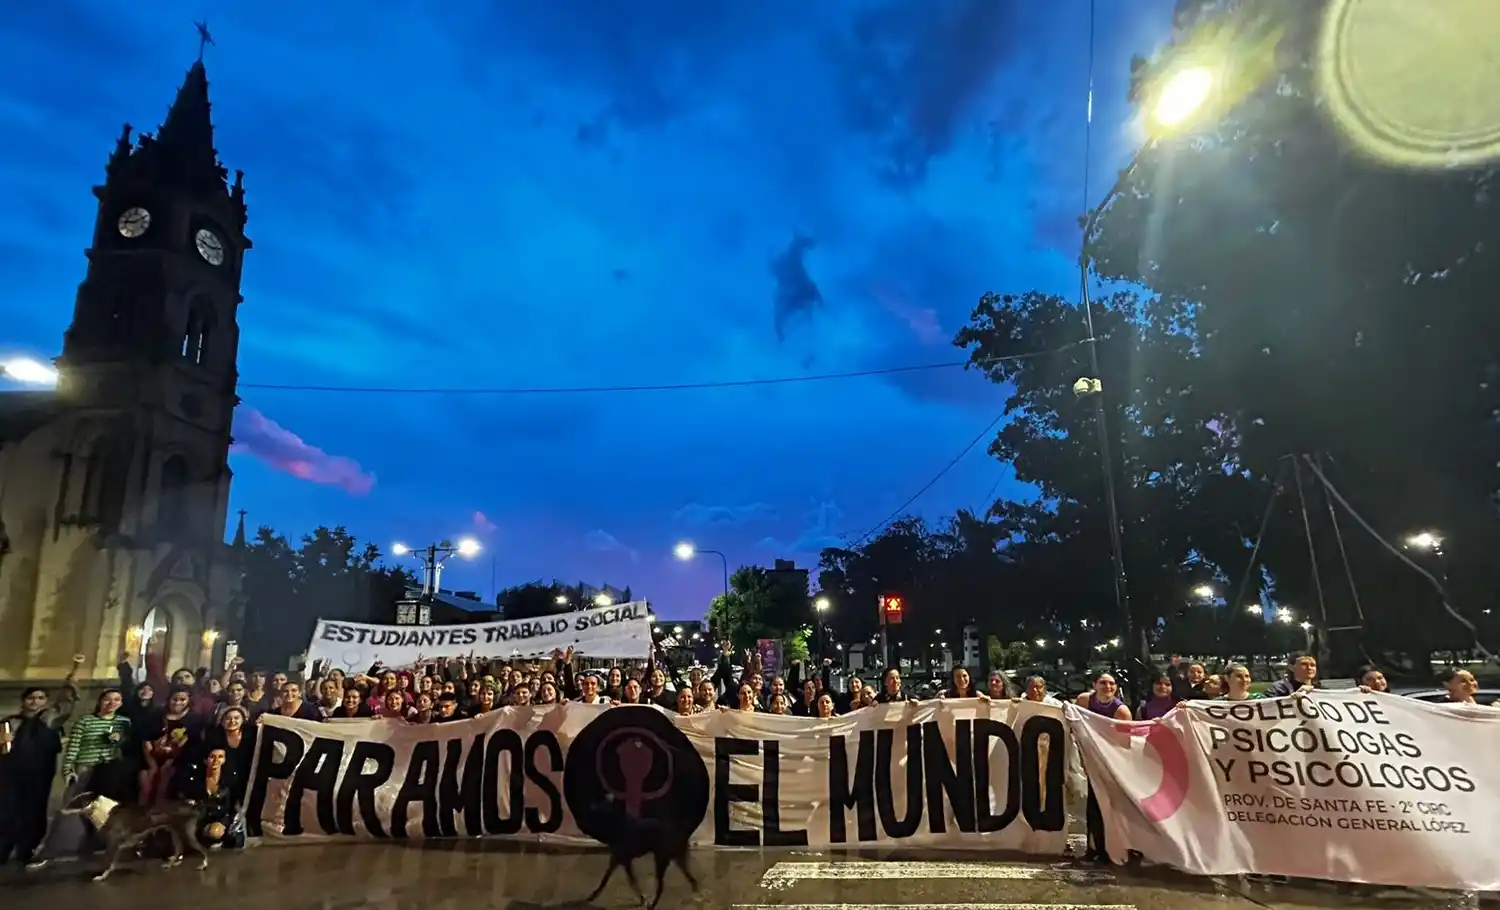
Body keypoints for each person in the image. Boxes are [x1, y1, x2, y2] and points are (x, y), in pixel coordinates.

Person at [0, 664, 79, 866]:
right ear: (23, 701)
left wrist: (71, 681)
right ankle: (4, 848)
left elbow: (65, 702)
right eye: (31, 698)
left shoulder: (50, 719)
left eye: (40, 698)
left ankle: (28, 849)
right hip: (11, 773)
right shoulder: (10, 722)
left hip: (40, 773)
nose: (35, 701)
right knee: (8, 809)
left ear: (45, 701)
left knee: (34, 811)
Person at [1075, 674, 1130, 865]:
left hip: (1111, 764)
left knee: (1110, 807)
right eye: (1103, 683)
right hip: (1091, 761)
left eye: (1112, 683)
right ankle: (1093, 849)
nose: (1108, 686)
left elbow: (1125, 744)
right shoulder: (1084, 701)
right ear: (1094, 685)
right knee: (1092, 807)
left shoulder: (1121, 711)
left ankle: (1110, 850)